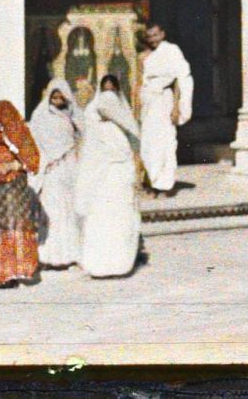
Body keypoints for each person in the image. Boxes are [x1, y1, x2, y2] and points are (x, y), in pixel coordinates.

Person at [77, 75, 143, 279]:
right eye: (103, 90)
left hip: (119, 176)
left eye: (111, 91)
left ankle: (120, 264)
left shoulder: (124, 127)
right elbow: (89, 152)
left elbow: (132, 150)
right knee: (100, 219)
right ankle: (99, 265)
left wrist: (134, 175)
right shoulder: (94, 120)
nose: (107, 97)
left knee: (119, 218)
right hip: (100, 179)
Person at [0, 100, 42, 288]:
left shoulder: (21, 134)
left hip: (15, 192)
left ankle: (11, 273)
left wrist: (13, 165)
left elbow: (32, 161)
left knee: (13, 230)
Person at [27, 79, 82, 269]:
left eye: (61, 97)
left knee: (68, 211)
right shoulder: (40, 115)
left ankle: (69, 254)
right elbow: (34, 142)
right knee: (51, 211)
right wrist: (46, 161)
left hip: (68, 168)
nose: (58, 100)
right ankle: (48, 256)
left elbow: (80, 136)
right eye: (54, 96)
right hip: (50, 170)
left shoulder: (70, 115)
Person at [137, 23, 193, 196]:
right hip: (148, 102)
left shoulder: (171, 50)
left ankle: (164, 185)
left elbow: (178, 80)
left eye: (155, 35)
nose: (153, 39)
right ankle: (152, 182)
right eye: (149, 36)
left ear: (162, 33)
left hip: (164, 100)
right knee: (148, 144)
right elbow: (141, 82)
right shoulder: (144, 56)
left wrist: (176, 107)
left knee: (165, 142)